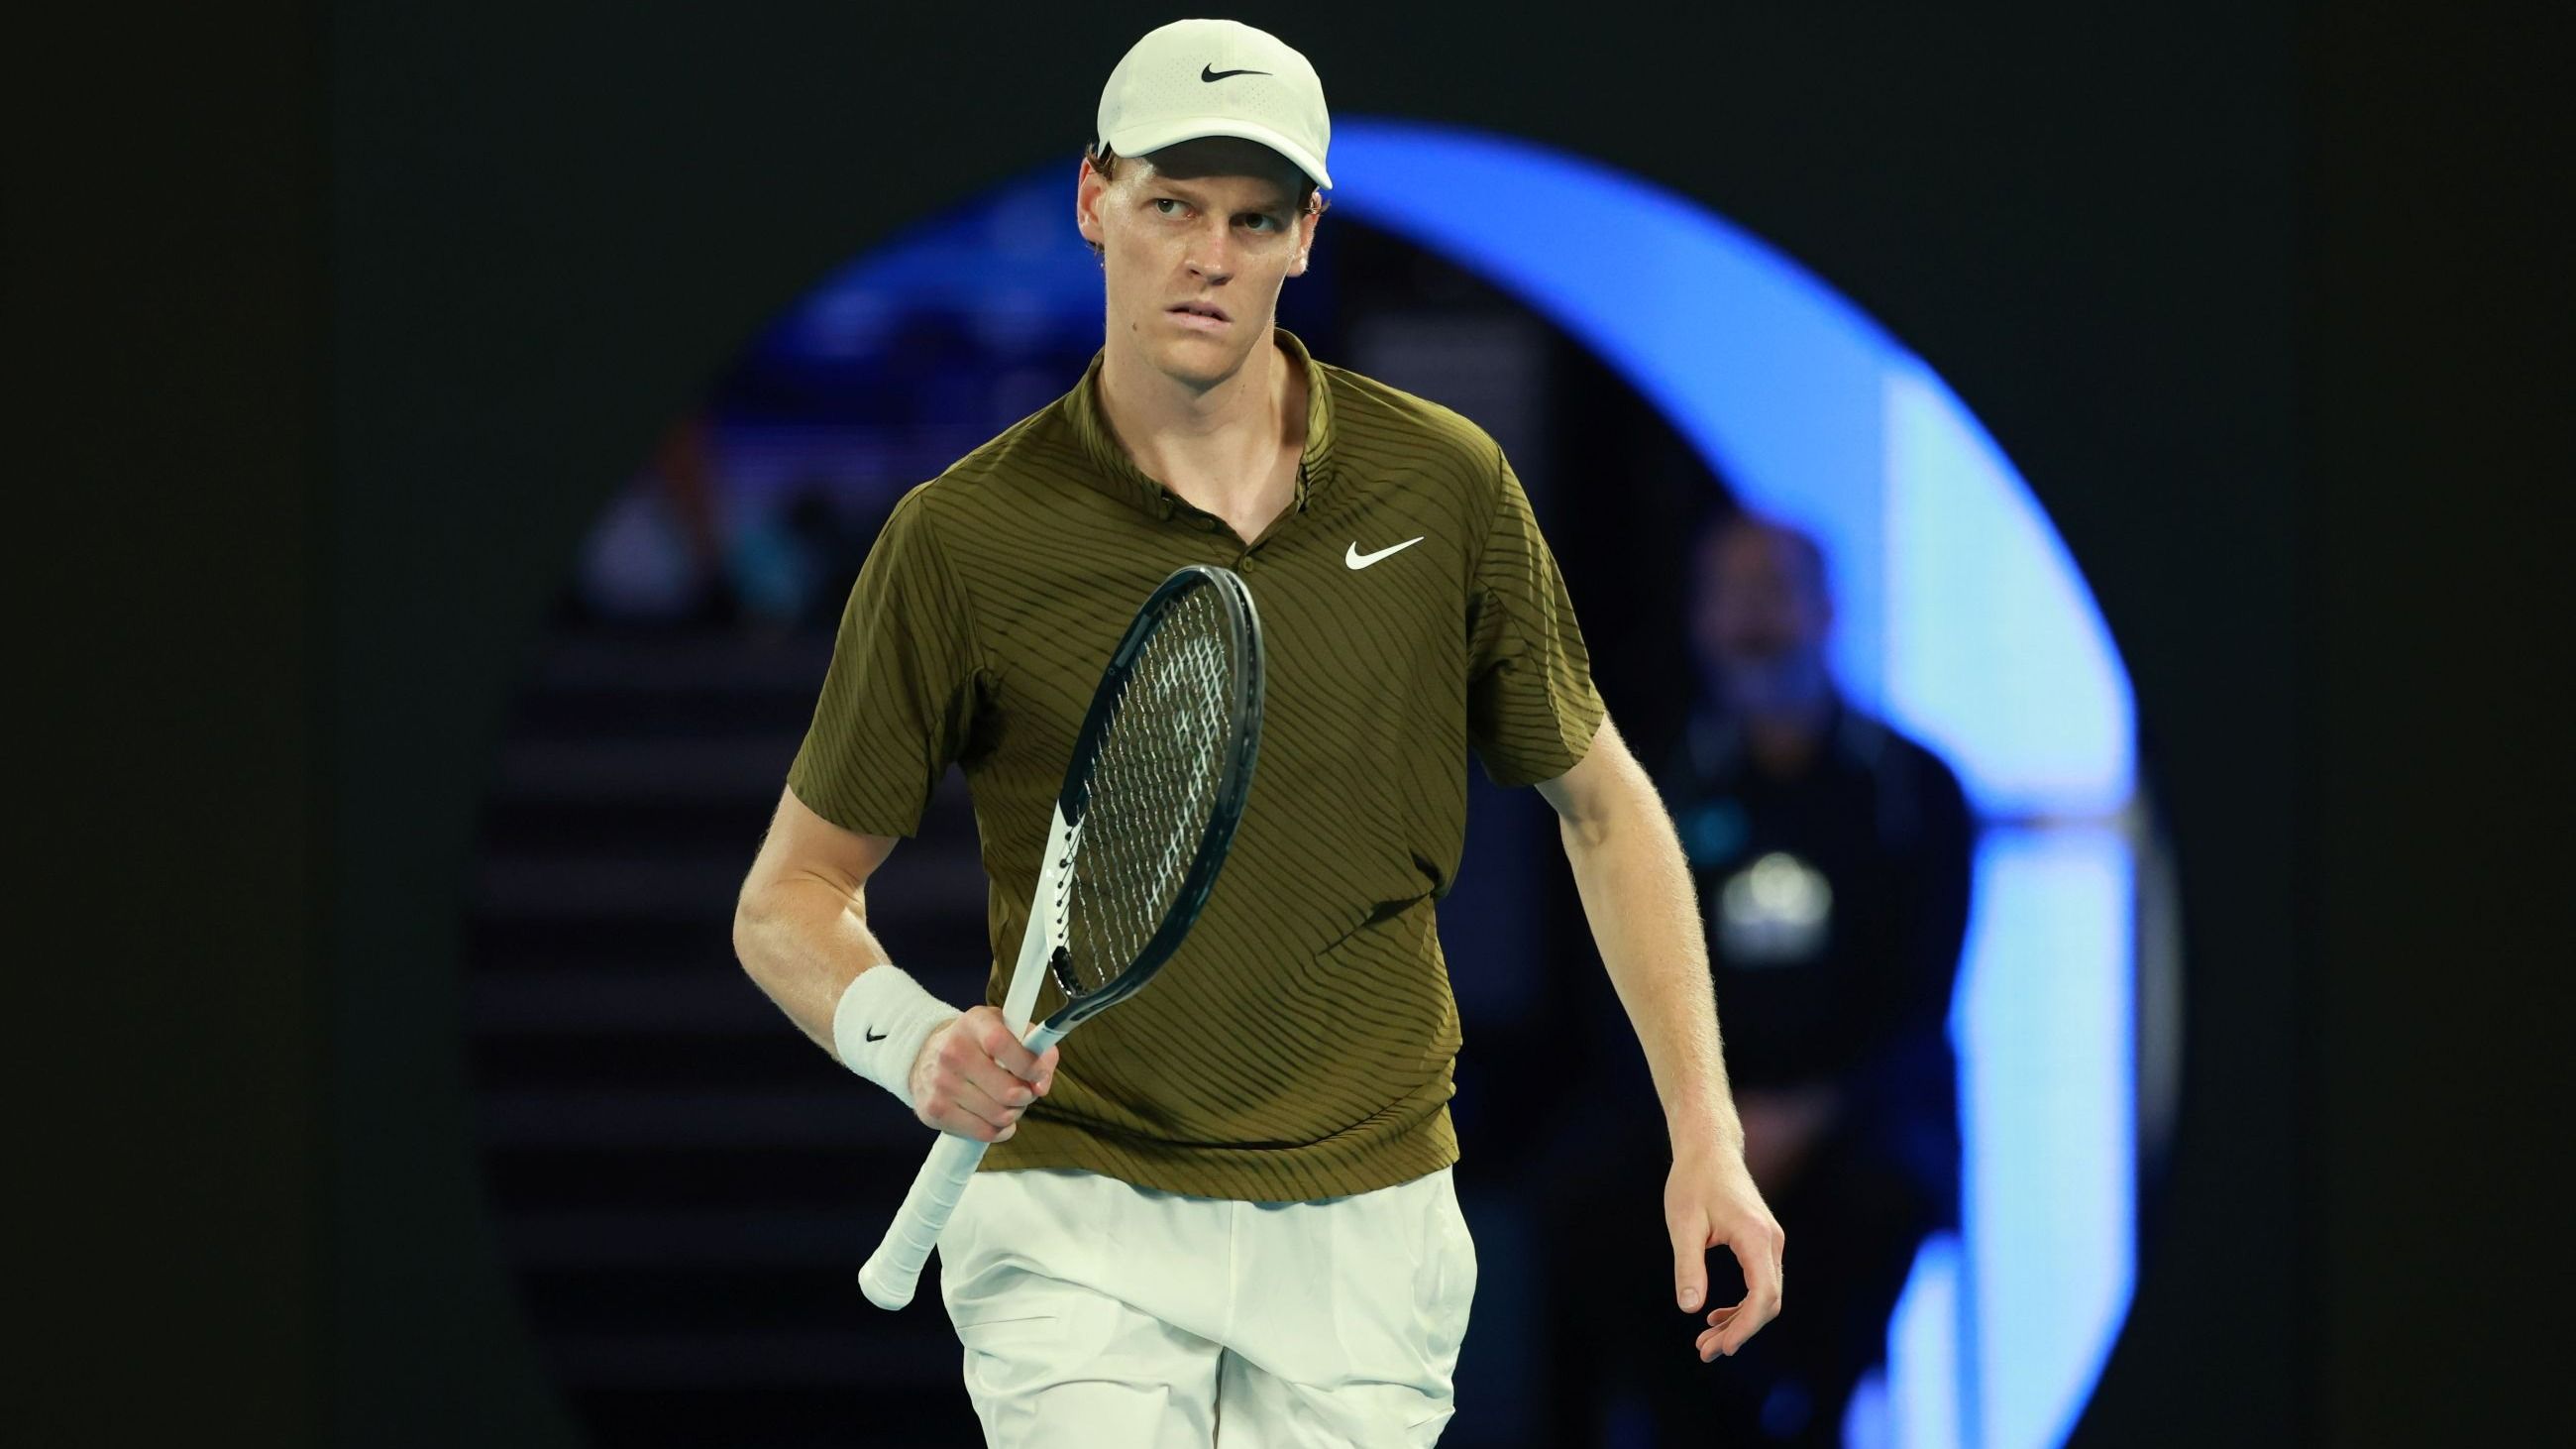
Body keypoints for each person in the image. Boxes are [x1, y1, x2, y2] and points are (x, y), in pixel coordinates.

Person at [730, 20, 1783, 1446]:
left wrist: (1704, 1133)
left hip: (1369, 1225)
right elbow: (789, 899)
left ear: (1306, 234)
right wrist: (912, 1040)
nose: (1208, 256)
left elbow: (1605, 809)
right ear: (1095, 199)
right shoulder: (961, 538)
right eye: (1171, 204)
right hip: (1075, 1216)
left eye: (1253, 218)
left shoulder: (1446, 485)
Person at [1563, 513, 1975, 1445]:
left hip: (1853, 1123)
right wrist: (1711, 1127)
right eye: (1731, 594)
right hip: (1691, 1124)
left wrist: (1803, 1117)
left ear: (1827, 609)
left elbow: (1920, 1004)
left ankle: (1814, 1424)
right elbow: (1617, 990)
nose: (1754, 619)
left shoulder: (1913, 791)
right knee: (1586, 1193)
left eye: (1775, 590)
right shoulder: (1650, 789)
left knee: (1882, 1195)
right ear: (1698, 618)